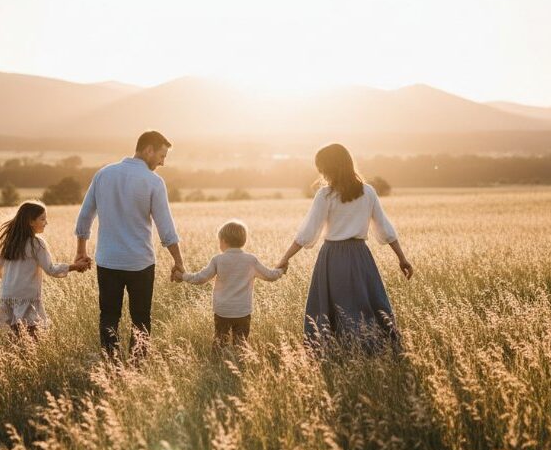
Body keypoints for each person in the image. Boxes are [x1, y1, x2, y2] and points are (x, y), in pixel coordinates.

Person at [276, 143, 413, 353]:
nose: (320, 172)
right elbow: (385, 229)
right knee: (366, 304)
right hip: (361, 257)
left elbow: (307, 233)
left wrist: (285, 258)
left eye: (321, 168)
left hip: (332, 258)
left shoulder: (325, 195)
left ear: (330, 168)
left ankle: (333, 351)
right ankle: (375, 350)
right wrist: (402, 259)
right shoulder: (368, 192)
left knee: (334, 306)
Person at [74, 130, 184, 360]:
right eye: (161, 156)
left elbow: (85, 216)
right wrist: (178, 262)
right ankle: (137, 367)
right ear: (148, 150)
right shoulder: (153, 182)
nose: (163, 162)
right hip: (140, 264)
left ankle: (111, 368)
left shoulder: (104, 174)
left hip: (108, 262)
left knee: (109, 317)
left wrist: (81, 252)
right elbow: (166, 227)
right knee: (141, 319)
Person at [174, 220, 284, 347]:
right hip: (243, 311)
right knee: (241, 345)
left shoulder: (218, 260)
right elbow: (270, 276)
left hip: (222, 311)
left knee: (220, 343)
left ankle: (218, 362)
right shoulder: (251, 260)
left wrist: (183, 276)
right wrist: (281, 270)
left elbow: (200, 278)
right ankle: (240, 363)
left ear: (224, 241)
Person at [0, 200, 90, 337]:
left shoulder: (10, 242)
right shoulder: (36, 243)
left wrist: (13, 279)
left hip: (8, 295)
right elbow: (51, 270)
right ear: (31, 222)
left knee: (15, 337)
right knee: (32, 338)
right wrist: (75, 266)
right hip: (27, 297)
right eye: (42, 219)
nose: (46, 222)